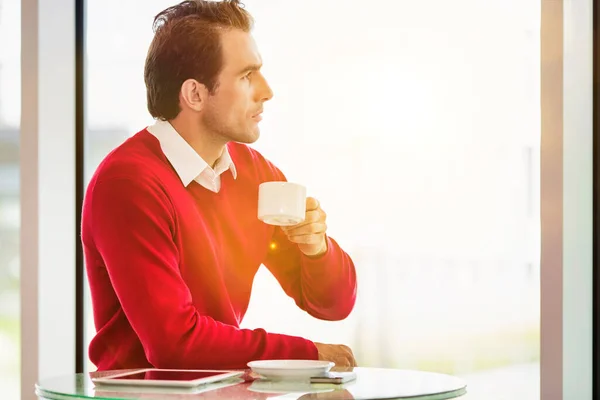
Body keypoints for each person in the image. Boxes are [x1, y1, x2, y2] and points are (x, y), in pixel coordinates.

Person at [81, 0, 358, 371]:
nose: (267, 91)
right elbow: (175, 346)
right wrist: (309, 356)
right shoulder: (128, 184)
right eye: (247, 76)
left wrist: (317, 249)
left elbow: (333, 304)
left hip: (219, 391)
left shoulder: (254, 173)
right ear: (194, 94)